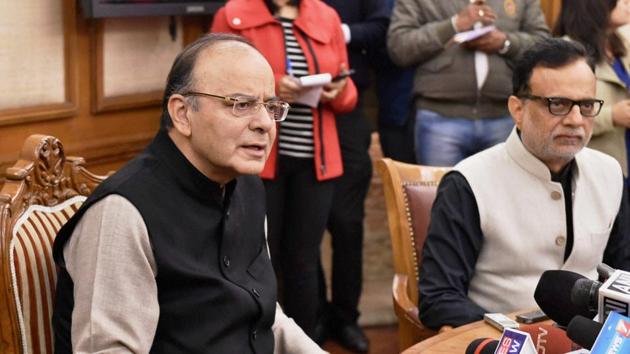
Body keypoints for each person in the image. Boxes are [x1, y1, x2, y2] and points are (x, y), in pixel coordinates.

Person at [52, 33, 326, 354]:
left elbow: (264, 315)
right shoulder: (122, 213)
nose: (265, 123)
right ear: (182, 113)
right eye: (242, 104)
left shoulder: (249, 187)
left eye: (271, 106)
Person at [418, 38, 630, 330]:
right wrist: (513, 340)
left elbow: (623, 273)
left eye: (586, 105)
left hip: (593, 341)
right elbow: (439, 299)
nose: (575, 119)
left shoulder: (609, 172)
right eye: (558, 104)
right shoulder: (468, 182)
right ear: (517, 110)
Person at [211, 0, 358, 340]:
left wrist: (338, 90)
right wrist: (273, 84)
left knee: (304, 259)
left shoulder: (326, 15)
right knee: (259, 257)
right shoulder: (234, 12)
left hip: (316, 161)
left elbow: (348, 93)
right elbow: (215, 83)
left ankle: (303, 341)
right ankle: (257, 341)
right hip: (257, 163)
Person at [387, 0, 549, 166]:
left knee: (501, 191)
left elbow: (543, 46)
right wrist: (454, 24)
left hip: (504, 115)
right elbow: (399, 47)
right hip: (439, 118)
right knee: (442, 190)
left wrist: (506, 43)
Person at [315, 0, 389, 351]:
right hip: (294, 117)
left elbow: (383, 28)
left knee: (347, 224)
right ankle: (312, 316)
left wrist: (334, 32)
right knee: (301, 228)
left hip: (348, 107)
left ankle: (346, 318)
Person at [553, 0, 630, 177]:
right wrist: (612, 116)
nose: (627, 3)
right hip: (595, 170)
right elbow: (556, 115)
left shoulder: (622, 43)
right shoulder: (567, 51)